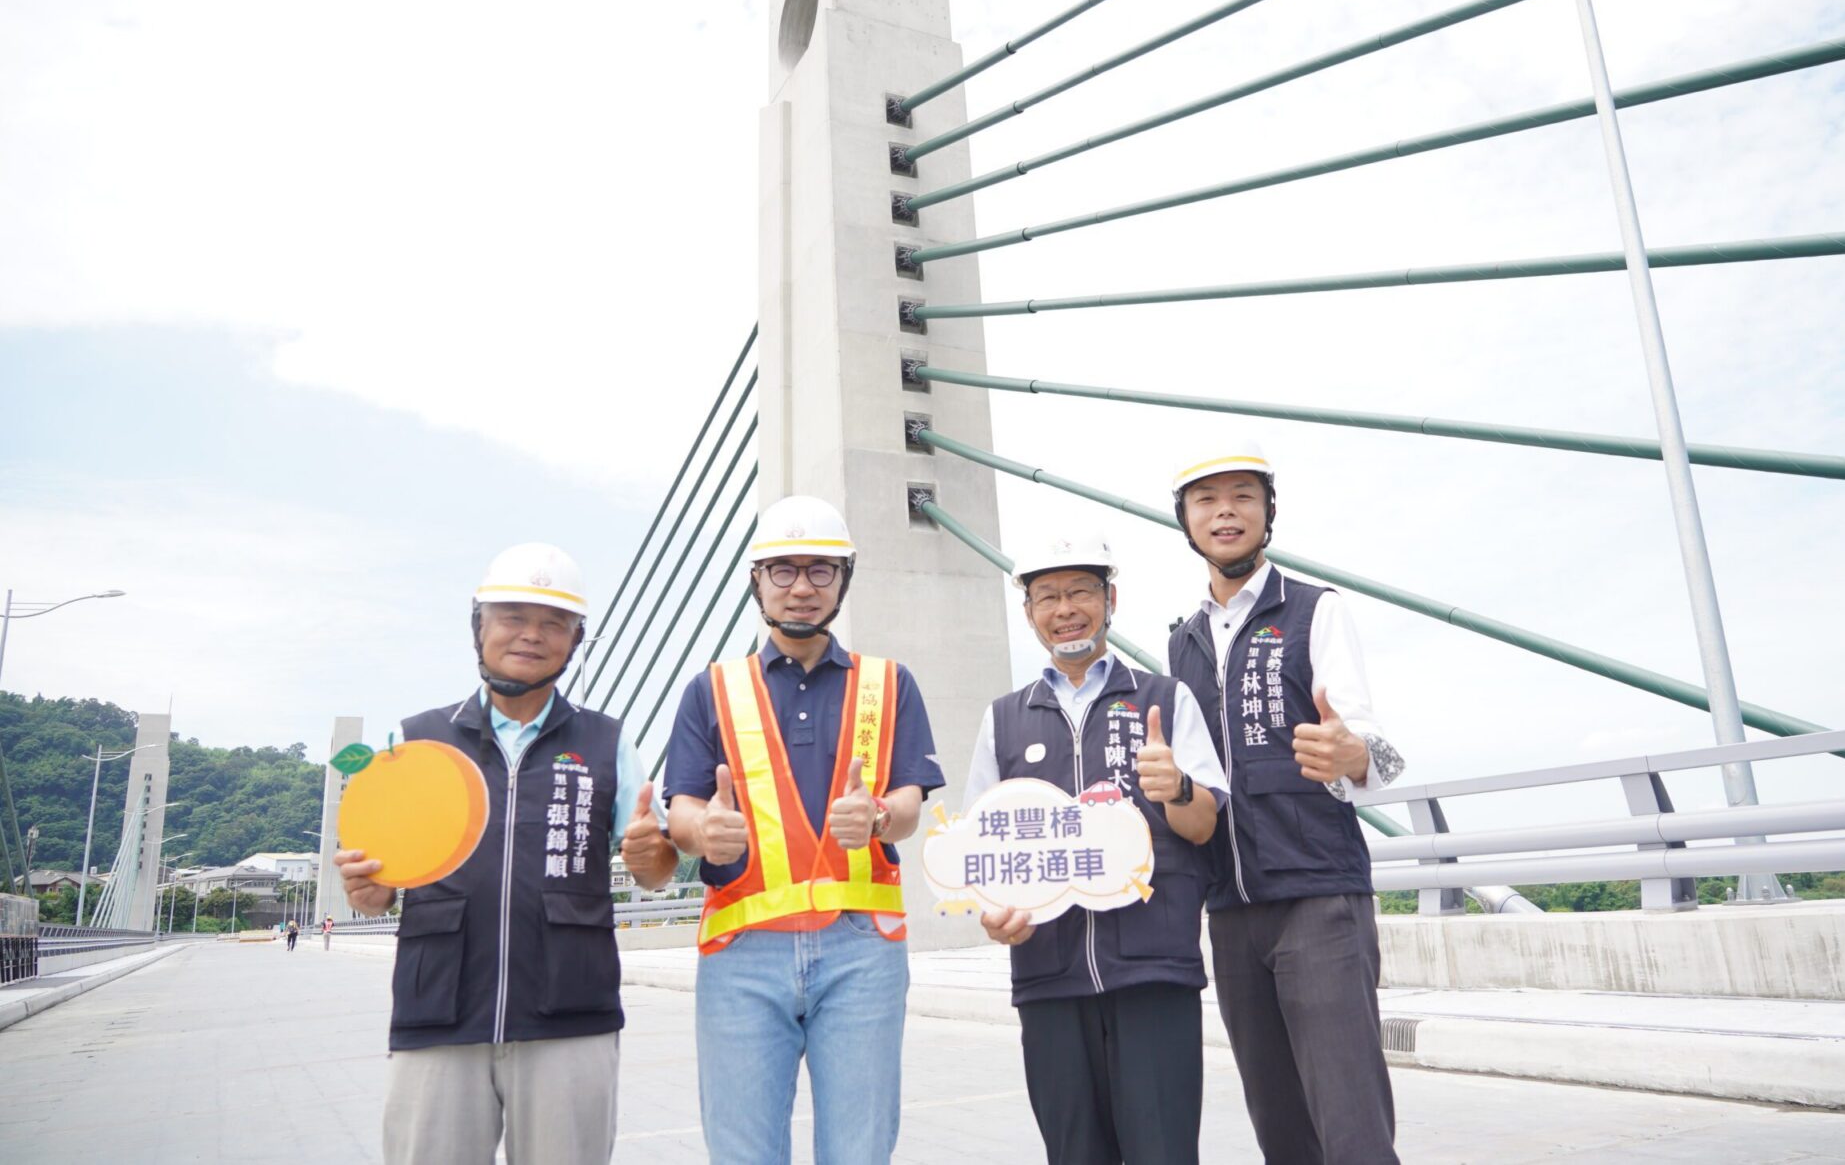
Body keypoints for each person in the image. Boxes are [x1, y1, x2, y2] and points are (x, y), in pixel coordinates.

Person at [335, 542, 680, 1165]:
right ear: (479, 627)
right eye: (513, 616)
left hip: (570, 1015)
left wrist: (651, 853)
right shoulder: (415, 742)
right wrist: (368, 890)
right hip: (438, 1013)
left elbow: (654, 870)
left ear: (576, 642)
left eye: (555, 623)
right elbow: (376, 882)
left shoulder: (609, 742)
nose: (532, 635)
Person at [663, 496, 945, 1165]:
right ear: (755, 581)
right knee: (743, 1151)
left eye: (820, 571)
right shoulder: (712, 689)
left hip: (861, 951)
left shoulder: (888, 683)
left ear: (843, 581)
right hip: (743, 950)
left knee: (860, 1149)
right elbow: (680, 810)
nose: (801, 587)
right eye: (782, 570)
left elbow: (910, 800)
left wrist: (878, 816)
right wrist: (707, 830)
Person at [1163, 443, 1407, 1165]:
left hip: (1317, 896)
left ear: (1269, 512)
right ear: (1186, 522)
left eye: (1243, 495)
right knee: (1277, 1117)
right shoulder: (1182, 643)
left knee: (1349, 1112)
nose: (1225, 511)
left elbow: (1374, 746)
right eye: (1206, 500)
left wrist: (1356, 756)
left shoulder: (1314, 611)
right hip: (1230, 908)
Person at [963, 533, 1228, 1165]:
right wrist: (994, 916)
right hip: (1048, 976)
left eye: (1080, 590)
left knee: (1162, 1150)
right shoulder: (1004, 718)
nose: (1065, 608)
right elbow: (982, 854)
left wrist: (1177, 787)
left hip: (1153, 971)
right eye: (1047, 596)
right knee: (1073, 1151)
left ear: (1110, 599)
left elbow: (1203, 826)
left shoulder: (1166, 699)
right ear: (1029, 614)